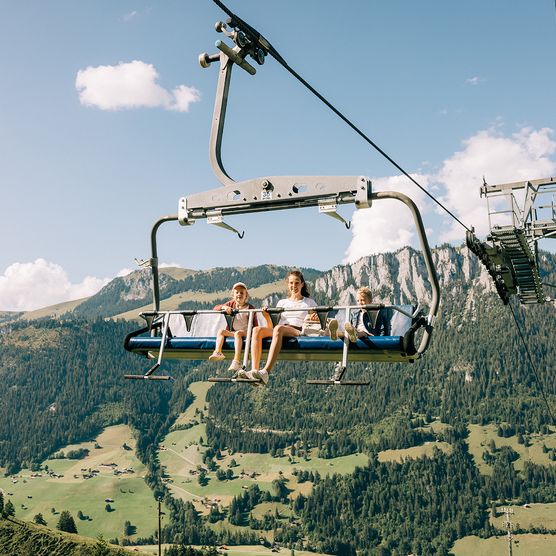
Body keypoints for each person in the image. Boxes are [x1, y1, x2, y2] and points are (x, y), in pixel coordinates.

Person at [239, 269, 337, 385]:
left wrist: (314, 317)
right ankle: (254, 371)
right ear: (288, 284)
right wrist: (266, 316)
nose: (293, 286)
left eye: (296, 283)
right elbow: (272, 327)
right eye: (291, 283)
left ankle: (266, 371)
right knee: (256, 330)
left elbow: (314, 321)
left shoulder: (309, 303)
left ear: (302, 284)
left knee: (279, 329)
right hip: (281, 329)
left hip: (298, 330)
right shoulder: (282, 303)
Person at [208, 282, 258, 372]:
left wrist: (254, 336)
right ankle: (218, 351)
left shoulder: (250, 308)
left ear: (246, 295)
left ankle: (236, 360)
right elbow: (215, 308)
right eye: (237, 292)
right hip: (234, 332)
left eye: (242, 293)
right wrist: (224, 307)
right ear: (233, 295)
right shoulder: (231, 304)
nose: (239, 294)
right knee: (221, 331)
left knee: (238, 334)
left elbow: (255, 325)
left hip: (246, 333)